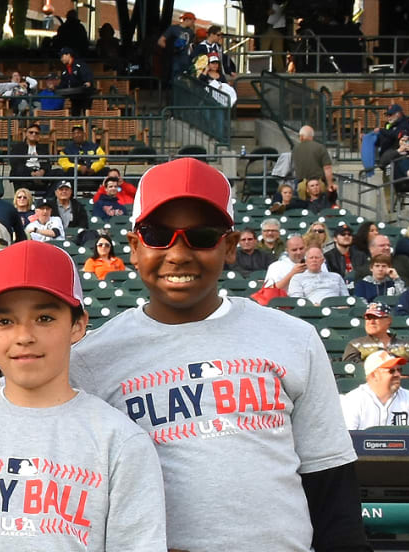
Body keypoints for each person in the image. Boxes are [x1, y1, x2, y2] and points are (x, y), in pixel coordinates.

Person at [70, 158, 366, 551]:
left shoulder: (293, 338)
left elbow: (331, 487)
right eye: (159, 234)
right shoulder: (91, 359)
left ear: (228, 247)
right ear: (135, 248)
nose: (178, 253)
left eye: (202, 235)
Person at [0, 239, 166, 550]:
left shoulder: (120, 441)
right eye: (5, 321)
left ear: (78, 325)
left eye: (45, 318)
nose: (24, 336)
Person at [344, 351, 409, 430]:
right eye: (391, 371)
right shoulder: (353, 400)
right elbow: (347, 438)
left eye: (399, 370)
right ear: (374, 375)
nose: (398, 374)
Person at [278, 246, 349, 303]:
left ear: (323, 260)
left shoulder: (336, 277)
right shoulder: (297, 278)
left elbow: (345, 298)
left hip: (336, 310)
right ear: (306, 261)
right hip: (311, 311)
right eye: (311, 258)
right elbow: (297, 300)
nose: (314, 260)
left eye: (317, 258)